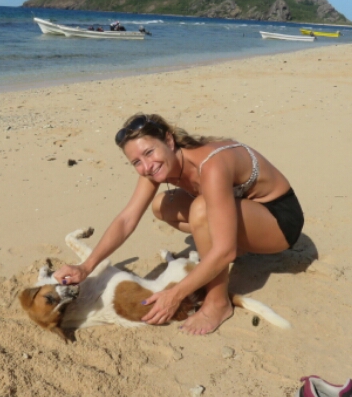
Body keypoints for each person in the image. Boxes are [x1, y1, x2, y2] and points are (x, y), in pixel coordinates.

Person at [54, 113, 304, 335]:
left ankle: (218, 303)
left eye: (149, 152)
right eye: (136, 162)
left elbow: (224, 252)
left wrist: (175, 294)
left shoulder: (212, 165)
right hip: (244, 210)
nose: (146, 166)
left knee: (201, 211)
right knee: (162, 205)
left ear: (169, 141)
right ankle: (227, 244)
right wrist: (86, 267)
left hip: (279, 220)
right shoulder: (155, 168)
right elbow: (127, 219)